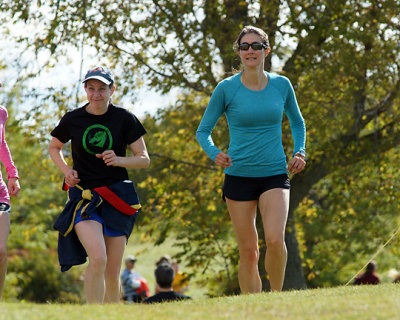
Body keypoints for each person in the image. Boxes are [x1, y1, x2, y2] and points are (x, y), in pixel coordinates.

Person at [196, 26, 306, 293]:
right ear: (239, 51)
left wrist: (300, 152)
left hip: (274, 173)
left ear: (266, 50)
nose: (250, 51)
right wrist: (215, 153)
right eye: (244, 46)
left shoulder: (282, 84)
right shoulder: (226, 89)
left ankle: (276, 299)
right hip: (239, 176)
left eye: (256, 46)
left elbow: (297, 122)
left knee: (276, 240)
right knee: (249, 251)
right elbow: (203, 131)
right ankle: (252, 308)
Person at [48, 66, 150, 304]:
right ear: (85, 90)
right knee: (98, 258)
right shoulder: (73, 119)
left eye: (102, 89)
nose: (96, 94)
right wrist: (66, 171)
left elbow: (144, 159)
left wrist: (119, 160)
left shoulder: (125, 118)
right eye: (91, 88)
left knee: (112, 272)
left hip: (117, 199)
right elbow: (54, 147)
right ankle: (93, 314)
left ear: (111, 90)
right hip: (84, 199)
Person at [0, 82, 21, 300]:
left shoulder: (1, 113)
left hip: (0, 192)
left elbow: (2, 143)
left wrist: (12, 173)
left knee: (1, 251)